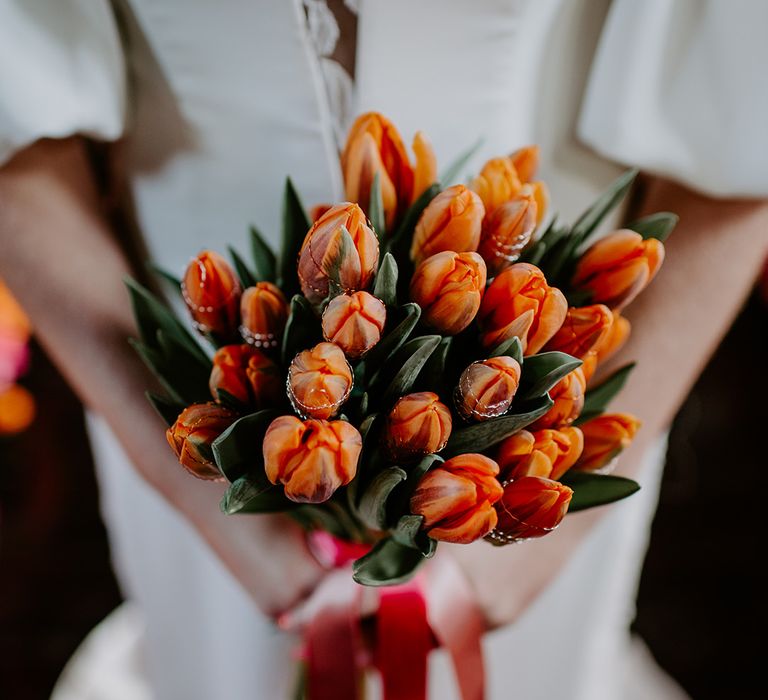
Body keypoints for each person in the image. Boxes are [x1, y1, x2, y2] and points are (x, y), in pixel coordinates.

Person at [1, 1, 767, 698]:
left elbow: (740, 110)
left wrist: (519, 548)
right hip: (174, 402)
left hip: (543, 438)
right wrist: (222, 513)